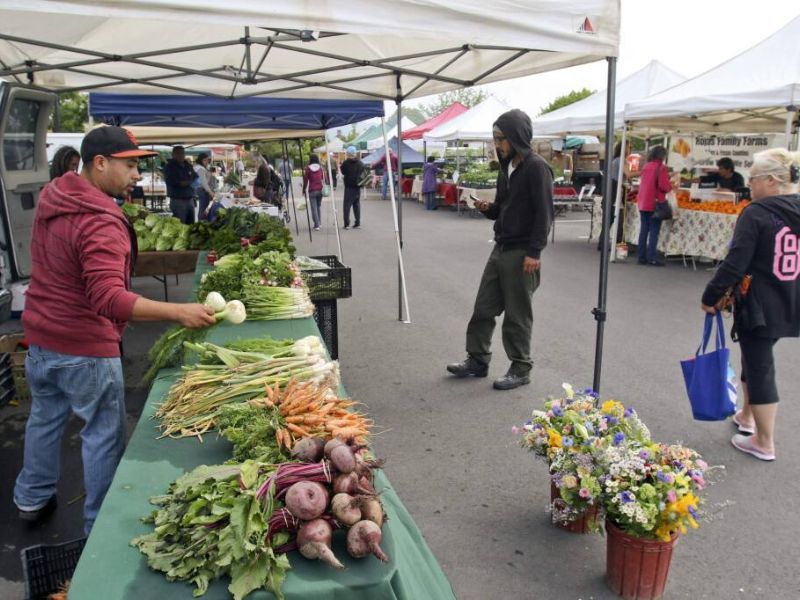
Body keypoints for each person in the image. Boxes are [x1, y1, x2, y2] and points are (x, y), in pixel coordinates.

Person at [13, 126, 216, 534]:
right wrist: (178, 311)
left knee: (45, 418)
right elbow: (109, 298)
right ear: (100, 163)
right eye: (129, 165)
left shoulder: (55, 196)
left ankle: (31, 499)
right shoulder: (99, 220)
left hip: (41, 339)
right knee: (103, 435)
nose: (137, 175)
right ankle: (100, 527)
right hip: (84, 347)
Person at [700, 149, 800, 462]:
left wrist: (711, 295)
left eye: (754, 179)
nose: (750, 185)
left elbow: (736, 261)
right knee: (755, 357)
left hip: (760, 303)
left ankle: (764, 441)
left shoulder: (757, 213)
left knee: (760, 367)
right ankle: (747, 416)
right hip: (791, 297)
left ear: (771, 181)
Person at [446, 109, 554, 391]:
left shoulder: (537, 168)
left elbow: (545, 214)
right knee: (483, 307)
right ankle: (477, 359)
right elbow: (502, 208)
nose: (498, 144)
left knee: (517, 315)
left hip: (522, 252)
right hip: (501, 247)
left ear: (517, 136)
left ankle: (521, 368)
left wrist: (535, 252)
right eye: (495, 138)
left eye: (501, 138)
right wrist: (487, 208)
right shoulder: (507, 168)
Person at [636, 145, 672, 266]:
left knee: (644, 230)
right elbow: (664, 186)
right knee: (654, 231)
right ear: (662, 156)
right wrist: (671, 185)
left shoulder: (646, 166)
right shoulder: (661, 168)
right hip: (655, 203)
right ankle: (652, 257)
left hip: (643, 202)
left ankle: (641, 257)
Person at [164, 146, 197, 224]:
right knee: (180, 224)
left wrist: (191, 181)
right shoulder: (169, 167)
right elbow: (176, 182)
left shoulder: (188, 165)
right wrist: (189, 182)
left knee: (191, 224)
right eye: (178, 153)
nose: (181, 155)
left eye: (182, 153)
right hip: (178, 200)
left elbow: (195, 177)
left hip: (190, 199)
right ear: (173, 155)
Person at [340, 146, 365, 229]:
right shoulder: (360, 163)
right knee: (356, 205)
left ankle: (347, 224)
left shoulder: (346, 163)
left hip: (349, 187)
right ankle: (357, 223)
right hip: (357, 187)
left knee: (347, 206)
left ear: (348, 154)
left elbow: (343, 172)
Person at [303, 154, 326, 231]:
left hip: (312, 190)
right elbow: (324, 178)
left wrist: (303, 189)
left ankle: (317, 225)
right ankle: (319, 223)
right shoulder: (321, 168)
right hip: (320, 190)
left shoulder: (308, 169)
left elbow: (305, 180)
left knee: (314, 208)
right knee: (318, 206)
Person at [193, 152, 213, 221]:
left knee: (203, 207)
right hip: (202, 190)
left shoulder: (198, 167)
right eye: (205, 160)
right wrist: (210, 192)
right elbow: (204, 182)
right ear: (200, 160)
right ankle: (202, 222)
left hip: (200, 189)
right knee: (203, 208)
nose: (207, 162)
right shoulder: (200, 169)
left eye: (207, 160)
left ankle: (202, 221)